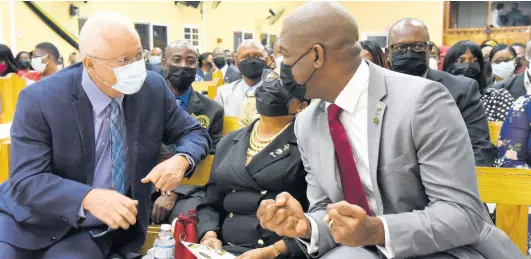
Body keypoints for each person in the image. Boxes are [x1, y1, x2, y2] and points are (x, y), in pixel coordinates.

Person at [255, 2, 523, 258]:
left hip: (444, 250)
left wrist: (377, 230)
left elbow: (462, 214)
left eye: (285, 56)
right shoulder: (308, 122)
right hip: (362, 249)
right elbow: (326, 209)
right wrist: (307, 226)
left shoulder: (422, 101)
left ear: (316, 56)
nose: (279, 70)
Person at [0, 11, 210, 259]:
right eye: (124, 60)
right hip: (28, 221)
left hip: (95, 229)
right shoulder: (41, 99)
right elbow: (26, 180)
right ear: (90, 64)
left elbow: (194, 132)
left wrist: (182, 158)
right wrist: (87, 197)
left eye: (139, 55)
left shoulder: (151, 89)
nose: (136, 67)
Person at [197, 78, 309, 258]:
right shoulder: (230, 141)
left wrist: (272, 251)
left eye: (284, 83)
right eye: (272, 80)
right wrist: (209, 234)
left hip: (278, 250)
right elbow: (211, 202)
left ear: (301, 106)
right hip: (224, 249)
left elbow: (314, 216)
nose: (273, 86)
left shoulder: (306, 145)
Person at [387, 18, 495, 167]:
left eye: (418, 46)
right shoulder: (375, 90)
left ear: (429, 49)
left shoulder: (462, 90)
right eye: (400, 48)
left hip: (448, 178)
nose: (409, 53)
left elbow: (479, 148)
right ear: (388, 53)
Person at [151, 40, 224, 224]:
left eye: (190, 61)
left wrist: (175, 191)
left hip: (190, 188)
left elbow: (211, 161)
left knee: (187, 221)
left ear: (197, 66)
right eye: (176, 60)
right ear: (164, 63)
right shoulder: (146, 101)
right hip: (148, 184)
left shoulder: (212, 109)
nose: (183, 66)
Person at [443, 40, 514, 122]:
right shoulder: (440, 99)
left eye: (474, 61)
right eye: (461, 61)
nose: (468, 65)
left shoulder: (498, 97)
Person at [215, 40, 268, 117]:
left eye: (257, 56)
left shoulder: (277, 93)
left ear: (266, 60)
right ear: (236, 63)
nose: (252, 61)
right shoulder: (223, 93)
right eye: (245, 57)